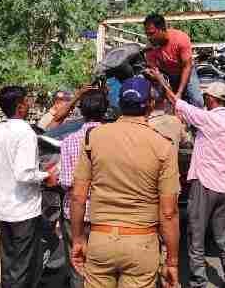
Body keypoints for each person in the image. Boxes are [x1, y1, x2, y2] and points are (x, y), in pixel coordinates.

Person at [70, 76, 181, 288]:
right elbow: (169, 212)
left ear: (119, 103)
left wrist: (77, 239)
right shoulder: (163, 146)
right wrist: (172, 261)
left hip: (100, 240)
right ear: (150, 104)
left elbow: (77, 197)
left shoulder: (94, 138)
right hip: (142, 244)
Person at [151, 68, 225, 288]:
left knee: (196, 237)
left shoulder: (206, 119)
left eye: (206, 97)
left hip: (205, 186)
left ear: (211, 99)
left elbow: (177, 102)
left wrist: (160, 80)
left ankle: (199, 282)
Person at [0, 86, 58, 288]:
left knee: (9, 262)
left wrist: (4, 173)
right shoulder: (25, 133)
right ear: (20, 106)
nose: (29, 104)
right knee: (24, 266)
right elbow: (24, 173)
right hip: (24, 209)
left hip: (4, 208)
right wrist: (46, 176)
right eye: (26, 101)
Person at [59, 87, 108, 288]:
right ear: (105, 110)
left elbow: (66, 182)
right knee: (104, 270)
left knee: (78, 267)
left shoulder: (69, 141)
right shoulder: (113, 139)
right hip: (105, 212)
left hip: (75, 215)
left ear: (81, 110)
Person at [144, 13, 204, 107]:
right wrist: (168, 91)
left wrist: (179, 93)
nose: (149, 37)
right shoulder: (149, 47)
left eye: (151, 33)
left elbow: (187, 67)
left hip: (186, 71)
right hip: (167, 74)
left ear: (162, 29)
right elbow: (156, 72)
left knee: (197, 101)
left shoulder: (180, 39)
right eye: (147, 34)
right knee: (158, 98)